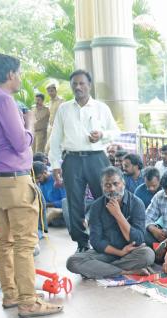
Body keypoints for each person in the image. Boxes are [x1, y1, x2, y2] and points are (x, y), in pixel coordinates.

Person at [0, 54, 61, 317]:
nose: (20, 78)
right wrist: (29, 123)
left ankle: (11, 294)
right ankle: (28, 301)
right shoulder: (4, 100)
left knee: (5, 240)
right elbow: (21, 143)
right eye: (19, 73)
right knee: (24, 243)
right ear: (10, 74)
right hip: (16, 179)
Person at [49, 69, 119, 253]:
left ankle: (108, 238)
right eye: (75, 84)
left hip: (97, 158)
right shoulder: (64, 109)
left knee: (105, 198)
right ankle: (82, 243)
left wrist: (102, 135)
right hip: (72, 160)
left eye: (82, 83)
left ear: (89, 85)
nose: (78, 87)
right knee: (74, 203)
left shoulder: (101, 108)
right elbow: (55, 139)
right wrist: (56, 165)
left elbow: (116, 131)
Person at [66, 167, 154, 279]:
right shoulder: (97, 206)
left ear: (123, 183)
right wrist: (120, 253)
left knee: (148, 255)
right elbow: (95, 241)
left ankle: (100, 269)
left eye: (115, 184)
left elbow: (138, 239)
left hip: (131, 253)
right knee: (72, 261)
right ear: (102, 187)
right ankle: (126, 272)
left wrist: (118, 215)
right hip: (106, 253)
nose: (112, 189)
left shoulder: (137, 203)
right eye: (107, 185)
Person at [34, 161, 65, 227]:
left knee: (51, 211)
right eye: (35, 179)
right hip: (47, 210)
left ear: (45, 172)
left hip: (62, 212)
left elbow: (66, 202)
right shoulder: (40, 183)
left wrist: (49, 204)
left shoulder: (58, 181)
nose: (37, 181)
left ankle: (38, 229)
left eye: (38, 177)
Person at [43, 83, 63, 152]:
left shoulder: (61, 101)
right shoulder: (49, 102)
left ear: (56, 91)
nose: (50, 93)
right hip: (50, 128)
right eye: (48, 91)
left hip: (58, 128)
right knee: (49, 149)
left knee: (51, 148)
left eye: (51, 91)